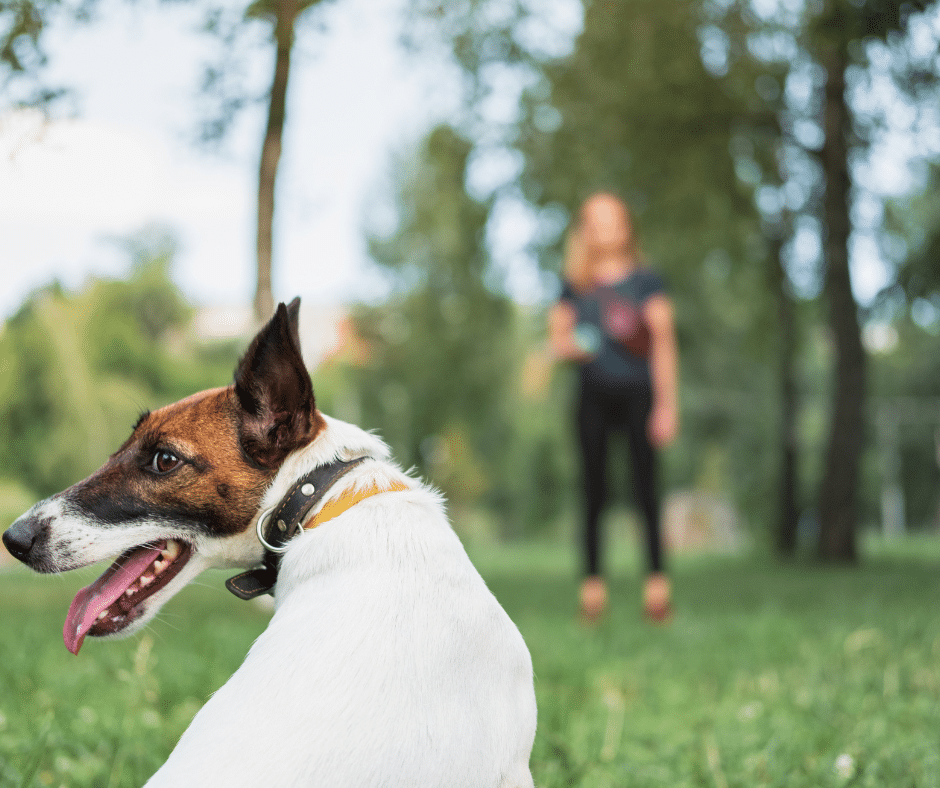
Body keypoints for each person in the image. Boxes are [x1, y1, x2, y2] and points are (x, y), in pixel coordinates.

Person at [548, 192, 679, 623]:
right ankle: (592, 594)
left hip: (639, 395)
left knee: (646, 492)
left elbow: (663, 343)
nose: (608, 228)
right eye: (598, 221)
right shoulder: (575, 285)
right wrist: (573, 347)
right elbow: (558, 339)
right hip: (593, 398)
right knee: (593, 494)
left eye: (615, 219)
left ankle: (657, 591)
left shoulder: (646, 281)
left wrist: (667, 405)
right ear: (586, 231)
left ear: (627, 227)